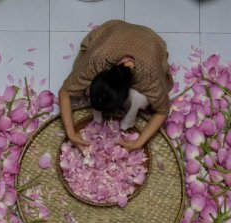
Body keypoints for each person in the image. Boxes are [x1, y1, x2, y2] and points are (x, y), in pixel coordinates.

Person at [59, 20, 173, 151]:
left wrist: (138, 143)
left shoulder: (150, 77)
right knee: (83, 78)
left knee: (139, 99)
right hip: (115, 31)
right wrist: (71, 134)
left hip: (151, 41)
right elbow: (64, 92)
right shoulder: (96, 60)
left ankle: (127, 123)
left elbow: (163, 111)